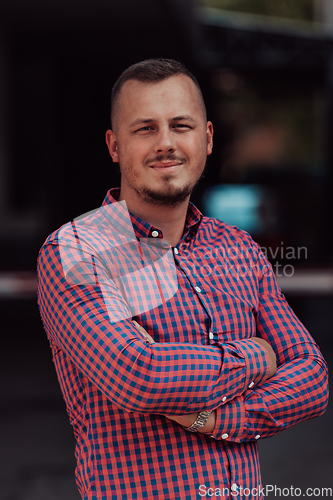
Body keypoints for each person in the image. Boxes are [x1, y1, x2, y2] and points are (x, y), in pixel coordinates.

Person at [37, 58, 328, 500]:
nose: (166, 143)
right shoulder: (76, 251)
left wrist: (216, 420)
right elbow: (140, 376)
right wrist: (256, 357)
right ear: (115, 146)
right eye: (145, 129)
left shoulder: (240, 248)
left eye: (180, 125)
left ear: (207, 138)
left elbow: (312, 378)